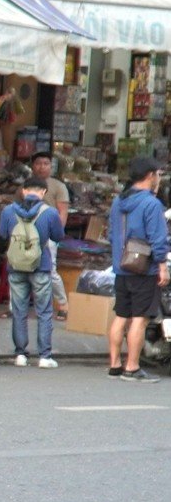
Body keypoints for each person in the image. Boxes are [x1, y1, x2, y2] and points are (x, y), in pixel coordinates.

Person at [109, 155, 169, 383]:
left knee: (121, 316)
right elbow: (158, 238)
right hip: (144, 269)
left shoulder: (118, 201)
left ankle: (114, 364)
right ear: (149, 176)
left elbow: (113, 233)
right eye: (159, 174)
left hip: (121, 266)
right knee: (140, 319)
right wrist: (162, 266)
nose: (160, 179)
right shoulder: (151, 204)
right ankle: (132, 367)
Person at [0, 173, 63, 368]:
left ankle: (20, 354)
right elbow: (58, 236)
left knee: (19, 310)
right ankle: (44, 356)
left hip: (16, 266)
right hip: (40, 265)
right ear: (43, 192)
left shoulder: (8, 211)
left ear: (24, 191)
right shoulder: (50, 213)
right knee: (43, 311)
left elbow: (2, 234)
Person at [31, 151, 71, 320]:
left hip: (48, 234)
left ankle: (63, 305)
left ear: (51, 166)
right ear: (33, 166)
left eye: (46, 163)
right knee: (21, 268)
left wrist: (57, 233)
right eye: (39, 163)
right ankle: (15, 307)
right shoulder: (25, 185)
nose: (42, 167)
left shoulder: (58, 186)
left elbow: (63, 212)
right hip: (28, 233)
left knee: (50, 270)